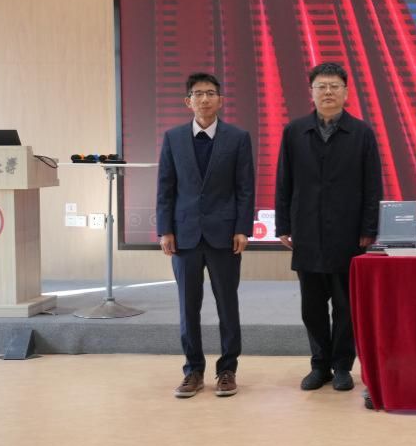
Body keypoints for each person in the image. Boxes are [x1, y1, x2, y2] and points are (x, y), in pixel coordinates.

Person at [275, 63, 383, 393]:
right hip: (307, 231)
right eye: (321, 86)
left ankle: (342, 367)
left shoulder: (361, 133)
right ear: (311, 92)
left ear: (346, 92)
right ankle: (319, 365)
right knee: (312, 306)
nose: (328, 92)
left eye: (334, 86)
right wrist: (283, 224)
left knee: (346, 307)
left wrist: (369, 228)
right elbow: (284, 182)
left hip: (348, 233)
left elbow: (373, 186)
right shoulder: (294, 132)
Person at [156, 72, 255, 398]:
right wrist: (165, 229)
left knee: (227, 304)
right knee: (188, 307)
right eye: (198, 94)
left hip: (224, 235)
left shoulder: (238, 138)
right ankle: (193, 371)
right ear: (188, 101)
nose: (204, 99)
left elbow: (245, 188)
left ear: (220, 100)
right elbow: (165, 187)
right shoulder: (173, 138)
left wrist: (242, 228)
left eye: (211, 93)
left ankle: (227, 370)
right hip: (184, 235)